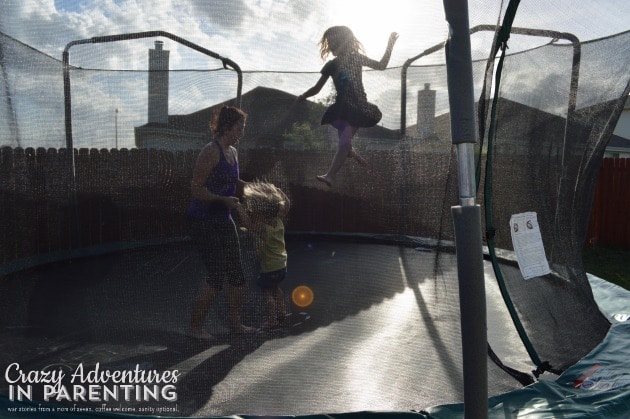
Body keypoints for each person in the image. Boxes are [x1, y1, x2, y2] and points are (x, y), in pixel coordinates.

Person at [298, 26, 398, 187]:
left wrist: (390, 45)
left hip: (357, 108)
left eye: (331, 42)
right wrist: (303, 96)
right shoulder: (332, 65)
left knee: (344, 142)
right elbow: (317, 88)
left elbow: (381, 65)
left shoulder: (356, 58)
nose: (329, 46)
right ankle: (352, 154)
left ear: (340, 42)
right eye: (328, 43)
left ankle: (330, 175)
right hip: (341, 109)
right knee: (345, 143)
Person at [186, 105, 253, 340]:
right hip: (202, 220)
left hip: (223, 219)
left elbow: (233, 181)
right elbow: (196, 189)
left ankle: (235, 323)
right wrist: (221, 199)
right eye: (239, 127)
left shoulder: (233, 152)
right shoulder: (210, 151)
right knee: (216, 274)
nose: (242, 132)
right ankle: (195, 327)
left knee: (237, 274)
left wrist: (258, 189)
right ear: (226, 127)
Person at [237, 181, 290, 331]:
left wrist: (239, 207)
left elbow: (246, 224)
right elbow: (287, 205)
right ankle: (282, 313)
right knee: (276, 288)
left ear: (260, 213)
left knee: (267, 292)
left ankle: (272, 320)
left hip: (270, 267)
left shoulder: (261, 228)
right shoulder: (279, 220)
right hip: (281, 265)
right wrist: (280, 193)